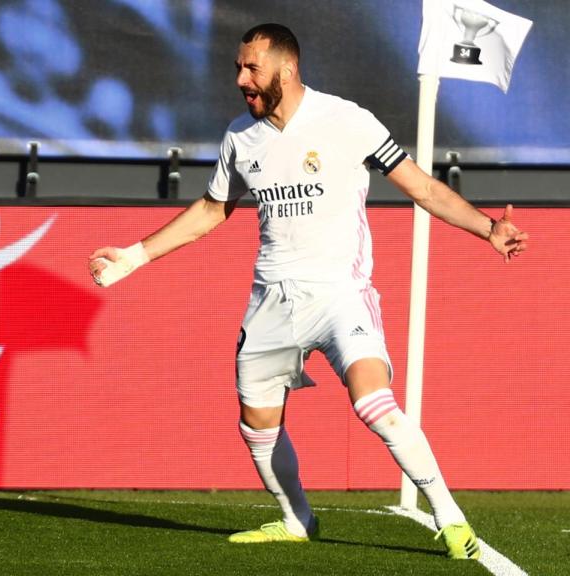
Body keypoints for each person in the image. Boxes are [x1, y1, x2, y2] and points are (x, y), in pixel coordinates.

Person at [89, 23, 527, 559]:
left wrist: (488, 228)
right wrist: (134, 256)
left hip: (341, 295)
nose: (241, 79)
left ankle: (451, 519)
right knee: (256, 423)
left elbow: (424, 188)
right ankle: (297, 519)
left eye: (252, 68)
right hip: (271, 301)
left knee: (372, 401)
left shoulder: (347, 120)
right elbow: (211, 209)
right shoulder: (240, 138)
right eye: (237, 68)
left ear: (287, 69)